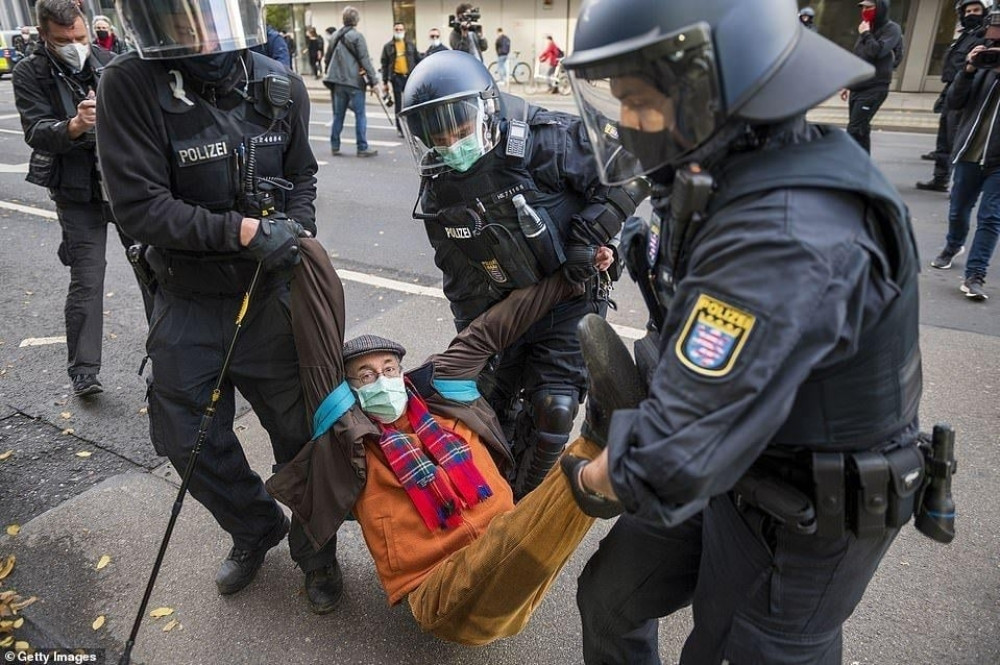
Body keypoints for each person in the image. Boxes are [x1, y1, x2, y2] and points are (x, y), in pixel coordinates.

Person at [562, 0, 926, 662]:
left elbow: (669, 457)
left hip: (802, 513)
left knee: (736, 649)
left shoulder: (782, 238)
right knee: (611, 598)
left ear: (710, 87)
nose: (629, 123)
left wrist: (592, 480)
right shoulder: (726, 171)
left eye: (640, 101)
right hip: (736, 454)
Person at [267, 239, 644, 645]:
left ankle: (603, 454)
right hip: (439, 591)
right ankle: (601, 450)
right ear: (349, 391)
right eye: (366, 376)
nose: (383, 380)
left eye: (389, 368)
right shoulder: (349, 436)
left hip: (509, 547)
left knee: (518, 537)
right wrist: (304, 248)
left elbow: (495, 327)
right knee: (517, 540)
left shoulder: (441, 390)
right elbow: (319, 342)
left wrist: (569, 281)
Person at [96, 0, 343, 614]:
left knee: (299, 433)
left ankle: (318, 553)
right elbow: (139, 207)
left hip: (267, 294)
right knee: (185, 435)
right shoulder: (128, 84)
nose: (194, 35)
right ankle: (256, 526)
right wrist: (242, 232)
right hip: (187, 295)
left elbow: (302, 173)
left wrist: (294, 230)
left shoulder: (278, 84)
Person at [398, 51, 649, 500]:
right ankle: (494, 496)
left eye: (460, 130)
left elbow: (626, 171)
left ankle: (524, 501)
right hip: (504, 308)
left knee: (554, 408)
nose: (453, 145)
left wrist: (592, 237)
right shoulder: (439, 188)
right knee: (486, 408)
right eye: (440, 137)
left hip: (569, 293)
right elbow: (457, 275)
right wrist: (473, 341)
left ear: (486, 109)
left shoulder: (545, 140)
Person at [13, 0, 141, 398]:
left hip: (124, 185)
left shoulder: (108, 60)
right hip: (75, 191)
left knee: (155, 270)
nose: (75, 44)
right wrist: (73, 125)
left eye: (80, 37)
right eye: (64, 39)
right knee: (87, 279)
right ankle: (84, 371)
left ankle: (173, 357)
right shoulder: (29, 71)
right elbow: (36, 130)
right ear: (45, 36)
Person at [929, 6, 1000, 301]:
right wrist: (969, 69)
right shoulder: (982, 59)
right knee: (959, 210)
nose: (994, 46)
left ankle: (975, 274)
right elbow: (955, 102)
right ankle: (953, 244)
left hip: (998, 161)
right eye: (993, 39)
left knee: (991, 217)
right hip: (970, 153)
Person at [917, 0, 987, 192]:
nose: (971, 14)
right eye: (968, 11)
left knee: (956, 139)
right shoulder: (964, 36)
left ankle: (959, 185)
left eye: (976, 10)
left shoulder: (983, 38)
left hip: (965, 92)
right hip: (951, 90)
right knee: (943, 138)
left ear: (984, 12)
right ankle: (940, 179)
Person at [841, 0, 903, 153]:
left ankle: (849, 168)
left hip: (874, 88)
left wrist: (866, 34)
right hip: (858, 87)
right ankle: (863, 168)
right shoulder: (866, 27)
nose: (864, 10)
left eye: (869, 7)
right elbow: (859, 57)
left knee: (854, 129)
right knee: (861, 130)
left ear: (880, 8)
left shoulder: (891, 29)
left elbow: (877, 52)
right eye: (862, 7)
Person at [324, 6, 380, 158]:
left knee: (338, 115)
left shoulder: (335, 35)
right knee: (360, 115)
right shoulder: (357, 36)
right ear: (356, 20)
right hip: (354, 82)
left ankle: (334, 145)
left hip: (337, 82)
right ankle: (362, 147)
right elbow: (365, 60)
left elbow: (327, 58)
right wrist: (374, 82)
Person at [380, 22, 420, 138]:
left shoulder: (410, 45)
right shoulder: (388, 46)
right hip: (396, 77)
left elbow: (417, 59)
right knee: (398, 105)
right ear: (393, 30)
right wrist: (385, 82)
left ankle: (414, 128)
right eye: (396, 29)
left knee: (412, 103)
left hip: (410, 77)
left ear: (404, 30)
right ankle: (400, 128)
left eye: (401, 29)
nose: (399, 31)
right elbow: (384, 64)